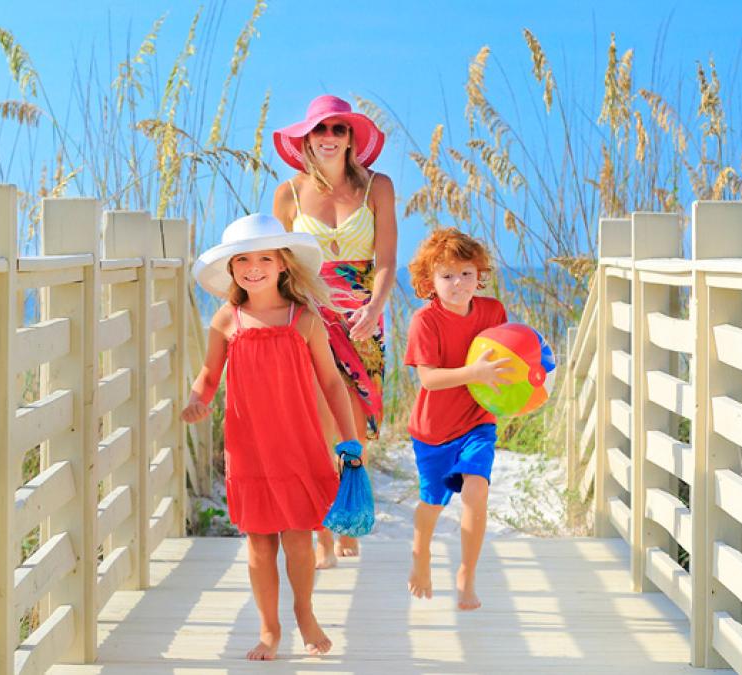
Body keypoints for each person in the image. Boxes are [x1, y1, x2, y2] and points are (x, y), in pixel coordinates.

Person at [181, 213, 361, 660]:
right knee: (259, 543)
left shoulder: (305, 320)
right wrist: (197, 399)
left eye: (264, 257)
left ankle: (304, 611)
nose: (253, 266)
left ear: (283, 264)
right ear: (231, 268)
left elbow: (334, 383)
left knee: (299, 537)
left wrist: (349, 439)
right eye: (243, 259)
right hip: (249, 449)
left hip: (298, 446)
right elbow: (208, 374)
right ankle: (268, 629)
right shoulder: (227, 319)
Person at [272, 94, 396, 565]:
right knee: (318, 425)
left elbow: (385, 261)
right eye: (319, 130)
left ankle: (350, 518)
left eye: (337, 130)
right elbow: (278, 265)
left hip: (363, 318)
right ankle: (325, 531)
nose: (328, 138)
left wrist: (375, 305)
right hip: (308, 317)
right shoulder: (288, 192)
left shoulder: (377, 188)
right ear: (306, 138)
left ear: (351, 139)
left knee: (354, 427)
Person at [403, 228, 511, 611]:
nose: (458, 283)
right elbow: (429, 378)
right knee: (432, 502)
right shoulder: (425, 321)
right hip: (433, 431)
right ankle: (421, 555)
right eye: (446, 275)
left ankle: (467, 573)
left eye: (466, 273)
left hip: (478, 421)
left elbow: (510, 355)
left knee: (475, 489)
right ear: (428, 281)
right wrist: (474, 373)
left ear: (479, 274)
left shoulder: (492, 311)